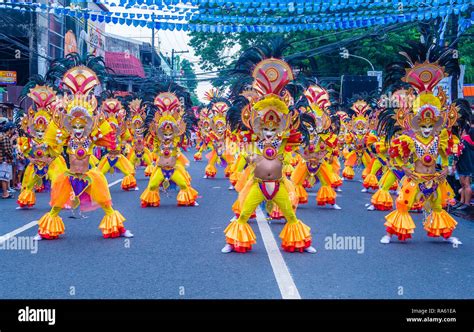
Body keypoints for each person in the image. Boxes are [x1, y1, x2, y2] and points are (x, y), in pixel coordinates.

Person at [454, 127, 474, 211]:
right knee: (464, 185)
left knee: (466, 184)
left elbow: (457, 152)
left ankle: (466, 203)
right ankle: (462, 201)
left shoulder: (463, 141)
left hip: (463, 165)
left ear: (464, 131)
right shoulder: (470, 142)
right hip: (469, 165)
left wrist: (454, 162)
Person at [0, 121, 14, 199]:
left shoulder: (2, 136)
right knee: (4, 177)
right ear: (10, 129)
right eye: (13, 129)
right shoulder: (5, 137)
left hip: (2, 159)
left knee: (4, 177)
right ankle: (5, 193)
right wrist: (12, 156)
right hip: (5, 160)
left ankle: (5, 192)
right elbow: (7, 150)